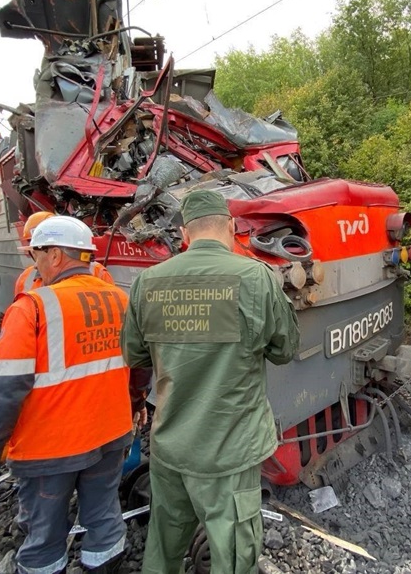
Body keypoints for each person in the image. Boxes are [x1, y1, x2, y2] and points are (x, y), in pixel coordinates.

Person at [120, 189, 300, 574]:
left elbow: (135, 357)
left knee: (163, 546)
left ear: (185, 234)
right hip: (228, 452)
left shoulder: (147, 282)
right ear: (232, 228)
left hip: (170, 446)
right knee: (234, 558)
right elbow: (284, 351)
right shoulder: (257, 278)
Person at [0, 216, 147, 574]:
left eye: (36, 255)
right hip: (109, 435)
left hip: (49, 448)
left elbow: (2, 392)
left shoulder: (32, 307)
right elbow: (141, 368)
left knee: (44, 535)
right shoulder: (120, 300)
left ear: (54, 255)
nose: (35, 265)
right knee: (104, 518)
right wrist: (136, 405)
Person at [14, 211, 114, 297]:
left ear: (55, 254)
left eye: (38, 248)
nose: (36, 262)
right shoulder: (26, 278)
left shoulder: (98, 272)